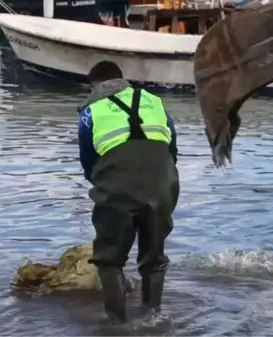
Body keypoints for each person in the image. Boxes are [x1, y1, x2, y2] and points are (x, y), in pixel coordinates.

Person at [77, 60, 179, 324]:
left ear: (94, 85)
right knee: (154, 256)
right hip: (163, 182)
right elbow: (172, 145)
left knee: (109, 259)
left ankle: (116, 325)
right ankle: (153, 317)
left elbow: (88, 161)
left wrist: (106, 187)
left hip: (116, 184)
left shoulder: (91, 112)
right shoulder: (154, 101)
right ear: (121, 80)